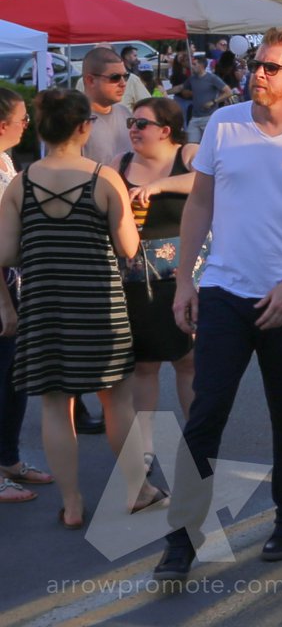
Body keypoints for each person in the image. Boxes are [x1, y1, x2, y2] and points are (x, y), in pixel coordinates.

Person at [155, 27, 282, 575]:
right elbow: (199, 206)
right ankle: (182, 537)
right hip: (223, 291)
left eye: (270, 67)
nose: (257, 73)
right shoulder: (224, 123)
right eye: (255, 63)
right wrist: (185, 281)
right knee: (206, 413)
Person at [0, 88, 152, 528]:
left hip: (44, 306)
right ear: (84, 126)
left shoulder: (21, 184)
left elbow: (6, 253)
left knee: (54, 405)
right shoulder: (105, 179)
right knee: (116, 400)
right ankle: (135, 490)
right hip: (99, 306)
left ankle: (71, 504)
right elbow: (128, 247)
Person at [117, 97, 200, 423]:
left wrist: (158, 185)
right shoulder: (120, 162)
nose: (133, 130)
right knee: (144, 366)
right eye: (131, 124)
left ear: (166, 130)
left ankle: (198, 444)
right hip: (136, 284)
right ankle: (143, 450)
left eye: (141, 124)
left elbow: (212, 179)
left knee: (190, 362)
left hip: (188, 281)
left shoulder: (188, 154)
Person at [0, 90, 46, 504]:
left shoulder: (6, 161)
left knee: (14, 378)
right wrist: (3, 303)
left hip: (15, 282)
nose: (26, 124)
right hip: (2, 287)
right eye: (22, 117)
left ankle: (9, 458)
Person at [80, 46, 136, 167]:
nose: (123, 83)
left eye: (125, 76)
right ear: (91, 80)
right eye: (115, 77)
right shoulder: (74, 121)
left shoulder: (125, 113)